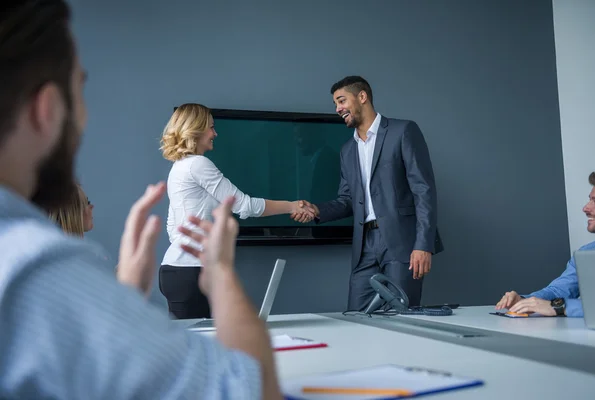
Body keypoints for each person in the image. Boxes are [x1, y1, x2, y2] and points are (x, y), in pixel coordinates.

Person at [0, 2, 281, 398]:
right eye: (80, 90)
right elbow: (249, 388)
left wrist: (122, 298)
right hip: (192, 270)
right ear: (46, 110)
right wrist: (222, 275)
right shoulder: (39, 272)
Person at [292, 76, 443, 312]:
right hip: (364, 246)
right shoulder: (347, 150)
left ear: (362, 97)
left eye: (341, 101)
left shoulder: (402, 131)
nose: (337, 109)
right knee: (356, 317)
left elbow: (423, 190)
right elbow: (347, 201)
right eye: (335, 104)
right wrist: (316, 210)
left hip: (402, 243)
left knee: (400, 319)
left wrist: (423, 245)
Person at [159, 103, 314, 319]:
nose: (215, 133)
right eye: (211, 127)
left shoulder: (179, 167)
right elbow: (244, 205)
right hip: (192, 272)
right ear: (195, 129)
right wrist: (291, 205)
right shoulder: (198, 165)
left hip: (174, 270)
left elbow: (172, 228)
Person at [495, 172, 595, 317]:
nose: (586, 208)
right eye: (590, 200)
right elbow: (559, 291)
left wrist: (561, 307)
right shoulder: (588, 253)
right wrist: (526, 301)